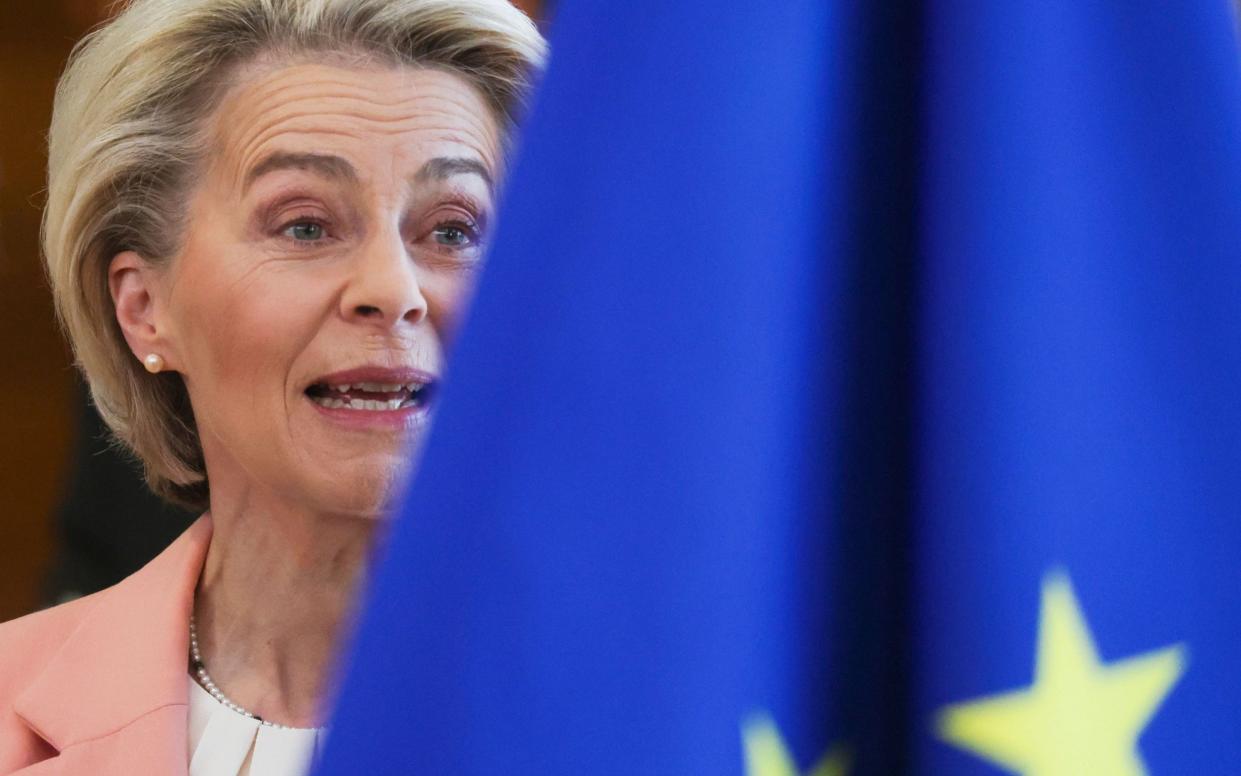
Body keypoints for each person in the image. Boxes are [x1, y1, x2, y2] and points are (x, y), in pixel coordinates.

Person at [0, 0, 545, 773]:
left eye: (453, 230)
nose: (393, 290)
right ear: (144, 308)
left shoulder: (677, 710)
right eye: (305, 226)